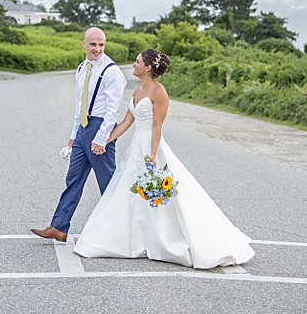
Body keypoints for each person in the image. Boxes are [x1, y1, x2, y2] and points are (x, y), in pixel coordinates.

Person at [73, 49, 255, 269]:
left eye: (137, 61)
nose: (133, 64)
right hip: (134, 149)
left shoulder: (159, 92)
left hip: (152, 148)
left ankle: (168, 239)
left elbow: (157, 126)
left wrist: (152, 154)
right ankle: (132, 239)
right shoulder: (137, 92)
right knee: (127, 193)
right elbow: (125, 123)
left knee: (160, 194)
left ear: (148, 67)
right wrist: (103, 141)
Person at [32, 27, 128, 243]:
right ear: (84, 44)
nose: (97, 49)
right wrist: (74, 134)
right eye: (93, 44)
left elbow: (112, 112)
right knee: (73, 179)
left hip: (100, 129)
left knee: (107, 182)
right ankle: (59, 227)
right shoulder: (82, 68)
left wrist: (101, 139)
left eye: (101, 45)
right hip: (84, 128)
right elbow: (80, 105)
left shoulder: (112, 72)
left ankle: (122, 230)